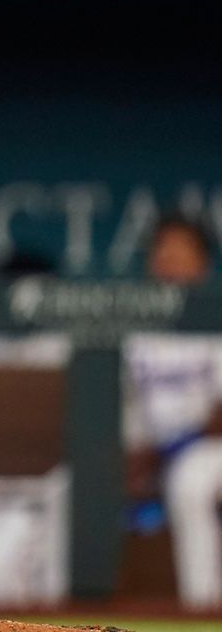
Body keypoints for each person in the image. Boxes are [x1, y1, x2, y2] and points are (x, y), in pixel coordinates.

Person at [123, 215, 220, 611]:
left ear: (204, 263)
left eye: (181, 250)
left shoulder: (215, 317)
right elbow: (120, 409)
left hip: (210, 450)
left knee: (191, 482)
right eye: (163, 249)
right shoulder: (138, 329)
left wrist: (165, 451)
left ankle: (204, 611)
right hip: (150, 455)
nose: (169, 258)